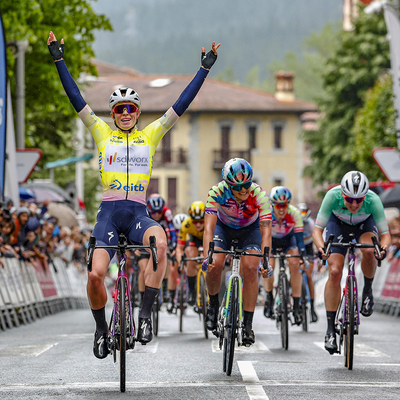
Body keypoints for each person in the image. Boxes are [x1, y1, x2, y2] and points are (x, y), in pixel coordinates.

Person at [47, 31, 220, 359]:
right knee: (96, 275)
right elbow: (75, 97)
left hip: (139, 213)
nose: (125, 112)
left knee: (162, 244)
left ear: (138, 113)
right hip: (109, 213)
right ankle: (100, 330)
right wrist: (59, 59)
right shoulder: (101, 133)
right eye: (119, 108)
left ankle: (144, 319)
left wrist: (204, 70)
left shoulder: (151, 135)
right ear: (112, 114)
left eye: (131, 108)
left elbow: (181, 104)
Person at [312, 171, 390, 355]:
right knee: (335, 271)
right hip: (337, 225)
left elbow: (385, 235)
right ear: (342, 194)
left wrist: (383, 249)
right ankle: (330, 330)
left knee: (370, 250)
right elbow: (317, 230)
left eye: (359, 200)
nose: (354, 204)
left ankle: (368, 291)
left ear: (365, 196)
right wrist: (322, 247)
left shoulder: (373, 200)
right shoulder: (332, 196)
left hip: (364, 226)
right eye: (349, 200)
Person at [202, 158, 272, 346]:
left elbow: (266, 232)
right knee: (214, 264)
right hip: (222, 229)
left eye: (247, 184)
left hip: (251, 231)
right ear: (227, 184)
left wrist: (267, 261)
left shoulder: (260, 195)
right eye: (238, 186)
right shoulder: (216, 192)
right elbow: (208, 228)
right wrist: (206, 256)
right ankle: (213, 304)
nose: (243, 190)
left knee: (251, 267)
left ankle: (248, 325)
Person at [262, 187, 305, 325]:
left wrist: (301, 256)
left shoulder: (295, 213)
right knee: (269, 266)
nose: (281, 209)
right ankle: (269, 297)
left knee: (294, 264)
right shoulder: (267, 213)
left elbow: (299, 240)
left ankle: (297, 305)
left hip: (289, 241)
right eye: (278, 206)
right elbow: (264, 236)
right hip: (271, 242)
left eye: (284, 205)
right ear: (272, 205)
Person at [175, 201, 205, 311]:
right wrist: (180, 263)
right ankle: (192, 292)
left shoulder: (210, 222)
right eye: (195, 221)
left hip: (207, 237)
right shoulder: (186, 224)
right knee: (191, 257)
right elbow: (179, 248)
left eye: (201, 221)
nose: (198, 225)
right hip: (194, 239)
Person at [146, 194, 176, 304]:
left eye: (159, 211)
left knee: (166, 256)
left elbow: (172, 230)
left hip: (162, 237)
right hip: (148, 238)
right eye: (154, 212)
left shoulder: (167, 213)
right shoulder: (145, 214)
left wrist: (173, 244)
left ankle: (165, 286)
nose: (157, 215)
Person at [297, 202, 318, 322]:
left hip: (308, 247)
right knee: (295, 270)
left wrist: (318, 254)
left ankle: (312, 308)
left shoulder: (311, 224)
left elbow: (316, 238)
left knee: (309, 275)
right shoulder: (293, 222)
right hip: (297, 245)